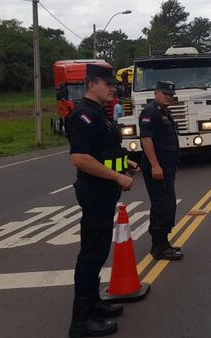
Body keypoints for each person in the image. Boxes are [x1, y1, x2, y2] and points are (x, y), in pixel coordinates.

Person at [66, 63, 138, 338]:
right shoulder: (83, 115)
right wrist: (118, 178)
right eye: (108, 85)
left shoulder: (99, 114)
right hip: (95, 191)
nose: (113, 89)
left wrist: (126, 162)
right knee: (91, 254)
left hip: (104, 191)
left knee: (97, 252)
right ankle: (81, 321)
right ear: (92, 84)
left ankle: (94, 303)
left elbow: (105, 151)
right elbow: (80, 158)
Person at [139, 81, 184, 261]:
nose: (168, 97)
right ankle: (159, 247)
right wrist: (155, 165)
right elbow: (146, 139)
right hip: (159, 167)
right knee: (162, 205)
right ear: (156, 93)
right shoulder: (150, 112)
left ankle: (162, 243)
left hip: (167, 166)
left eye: (171, 95)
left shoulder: (163, 112)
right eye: (165, 94)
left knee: (166, 203)